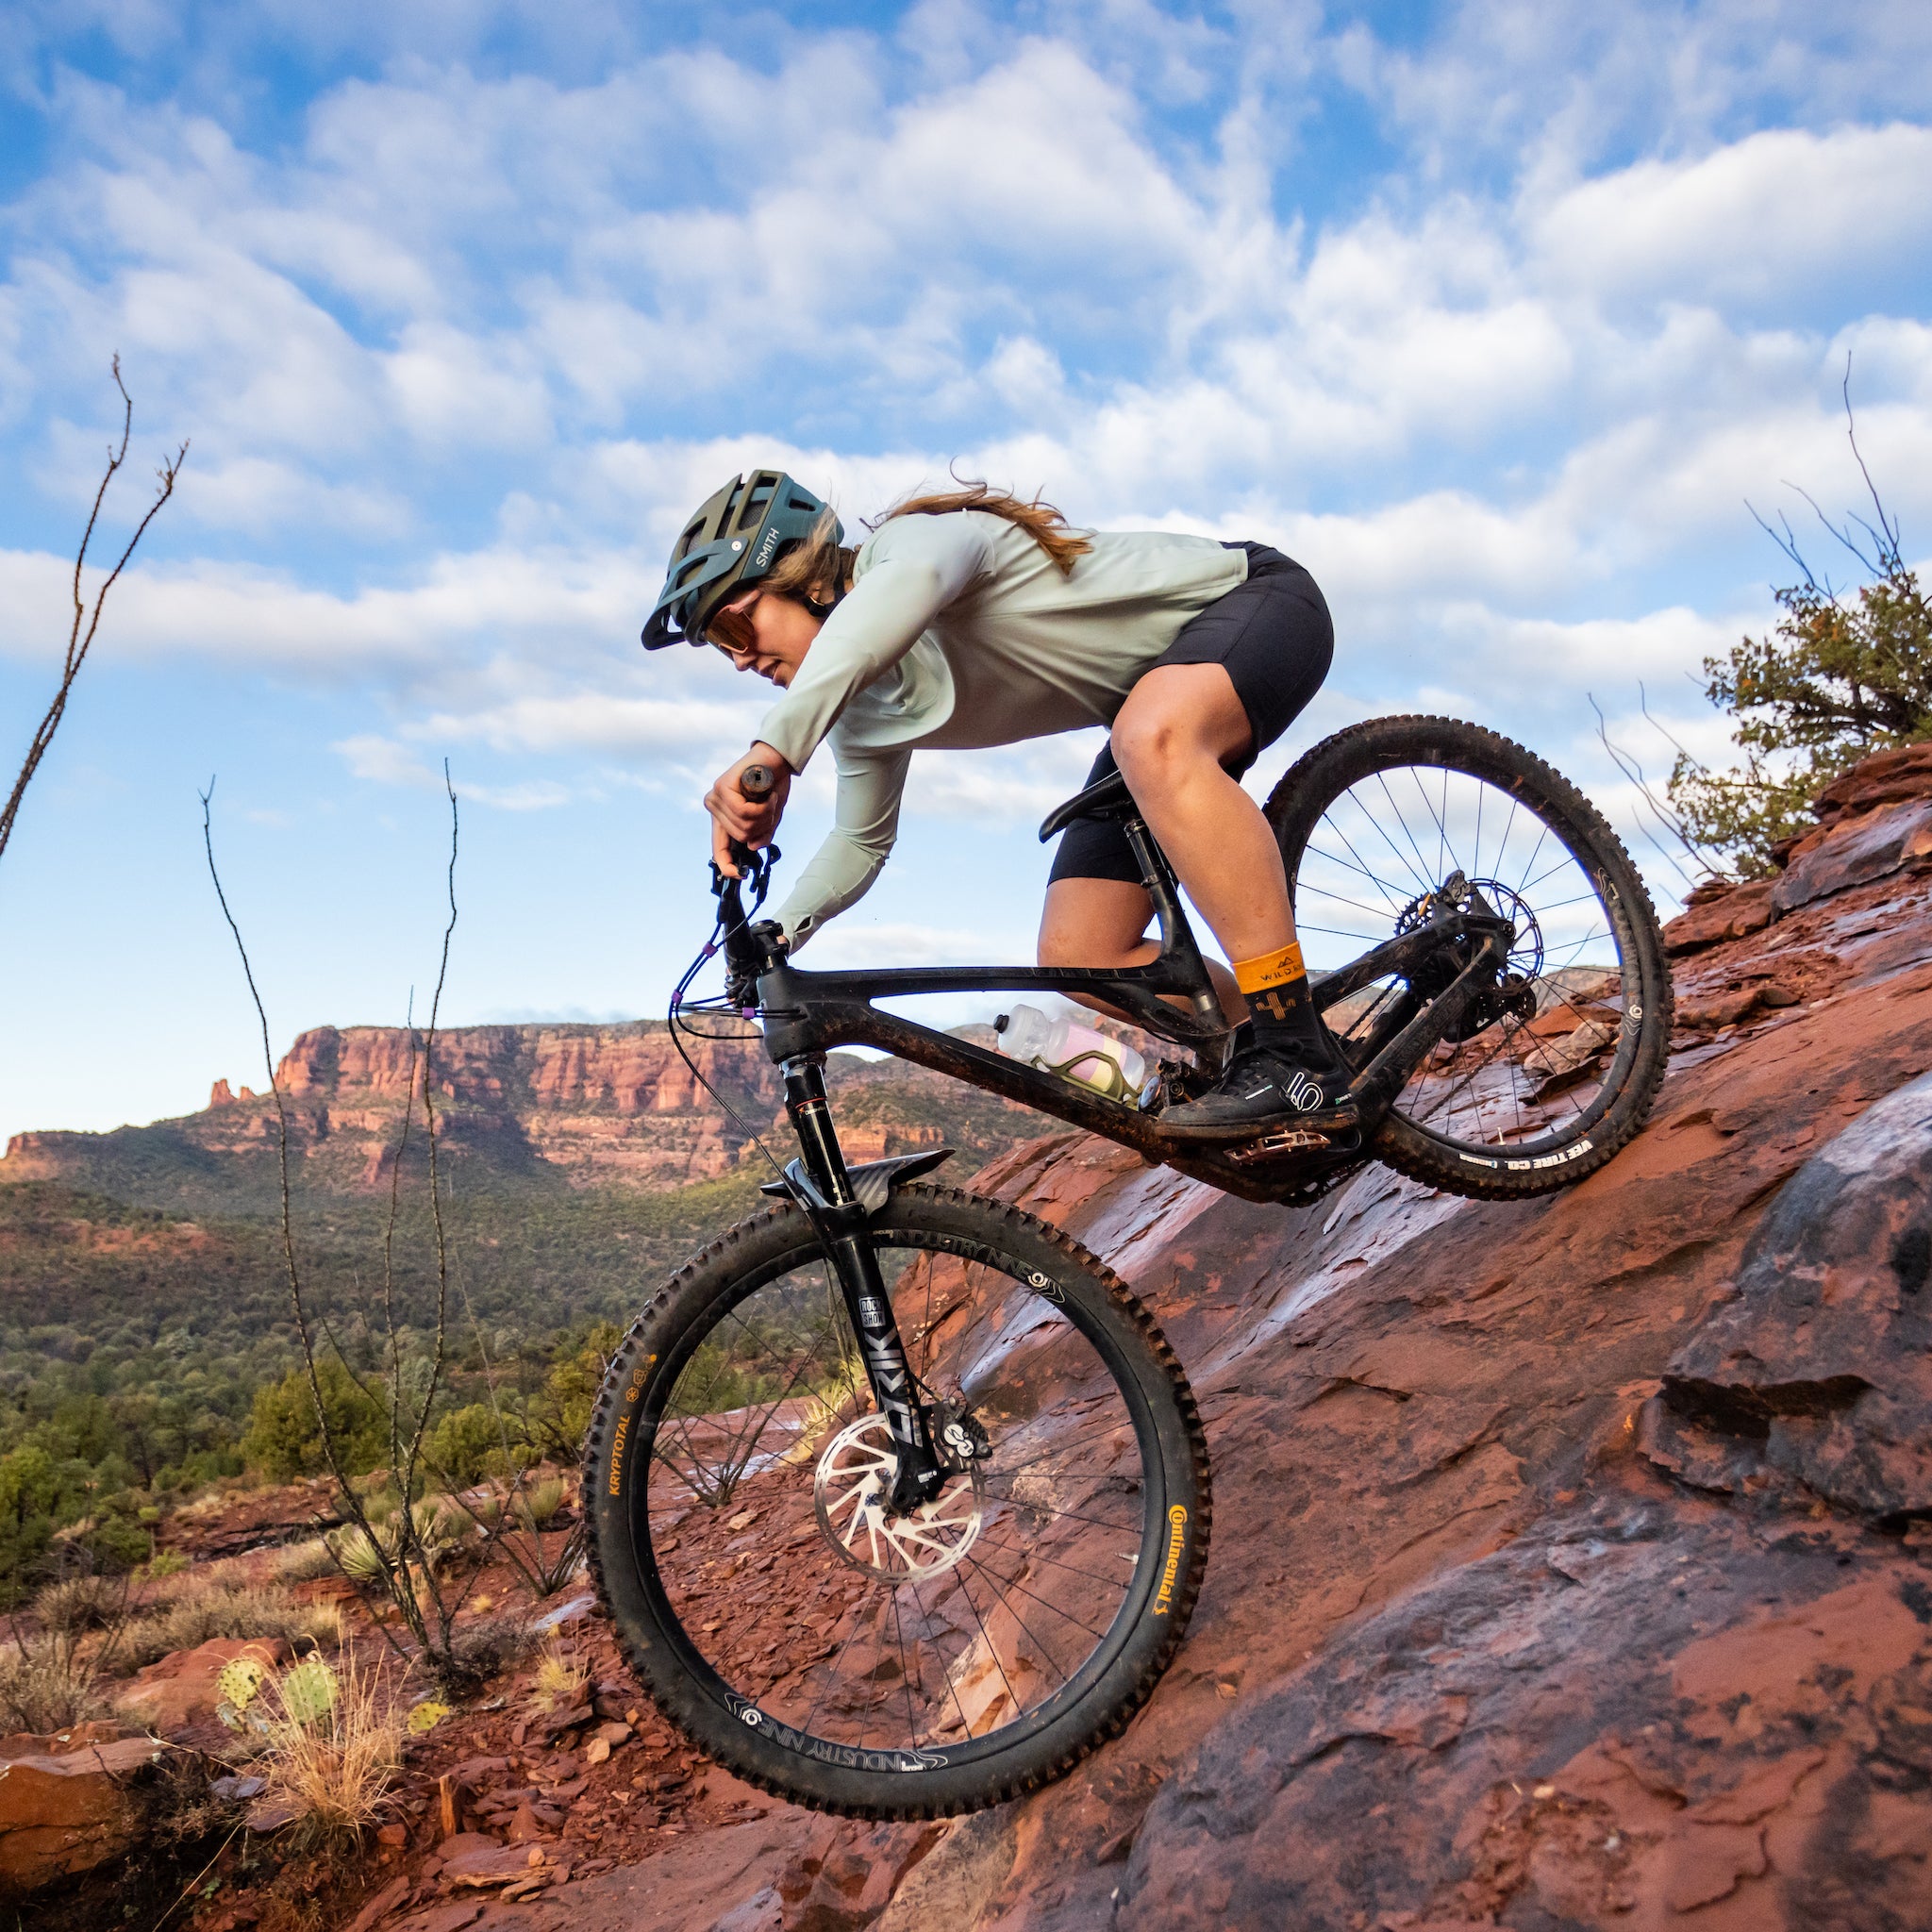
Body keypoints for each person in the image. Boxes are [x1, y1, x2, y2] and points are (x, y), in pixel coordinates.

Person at [641, 470, 1353, 1141]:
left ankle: (1297, 1053)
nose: (739, 659)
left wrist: (773, 749)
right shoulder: (861, 714)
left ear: (797, 572)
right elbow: (860, 842)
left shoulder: (914, 547)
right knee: (1081, 954)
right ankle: (1261, 1054)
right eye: (719, 648)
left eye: (736, 629)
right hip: (1151, 710)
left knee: (1152, 740)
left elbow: (900, 598)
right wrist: (775, 932)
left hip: (1255, 604)